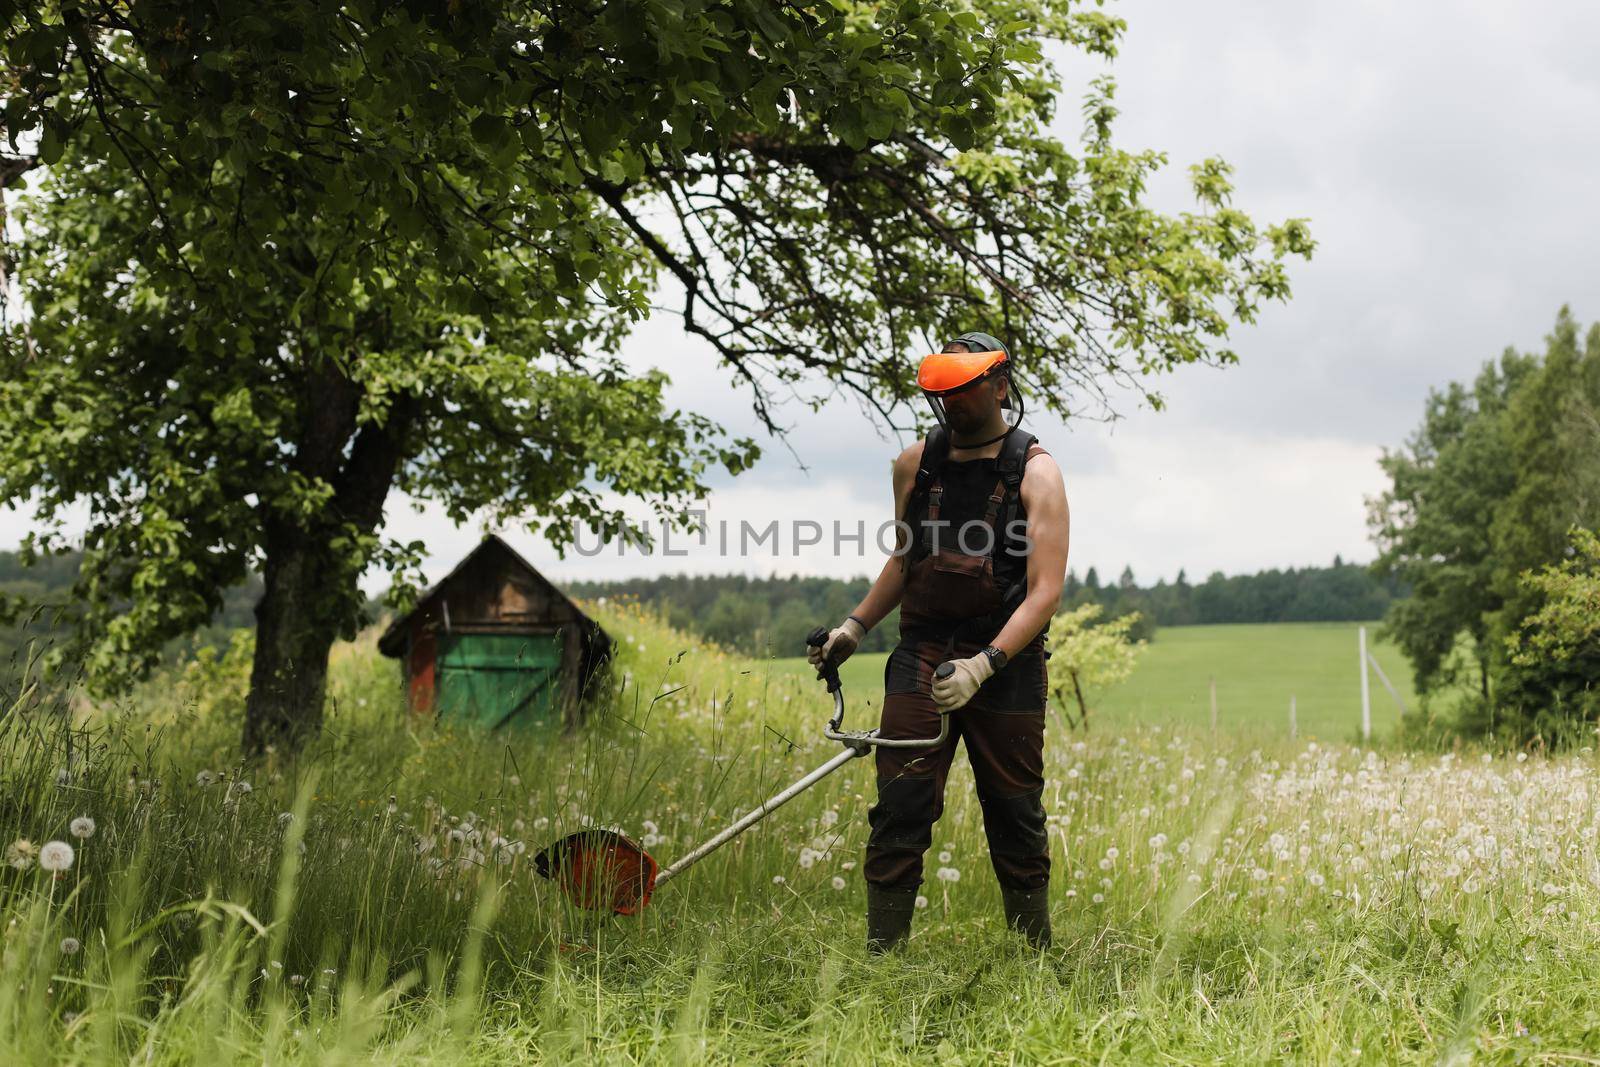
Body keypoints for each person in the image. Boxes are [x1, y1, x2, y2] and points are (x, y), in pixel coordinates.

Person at [808, 331, 1070, 952]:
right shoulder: (916, 464)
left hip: (1005, 665)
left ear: (1001, 385)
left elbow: (1045, 593)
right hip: (921, 657)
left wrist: (985, 665)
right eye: (942, 394)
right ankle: (883, 958)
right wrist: (854, 627)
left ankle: (1034, 958)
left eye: (965, 392)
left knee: (1015, 813)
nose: (953, 406)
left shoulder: (1038, 474)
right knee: (899, 809)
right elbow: (904, 562)